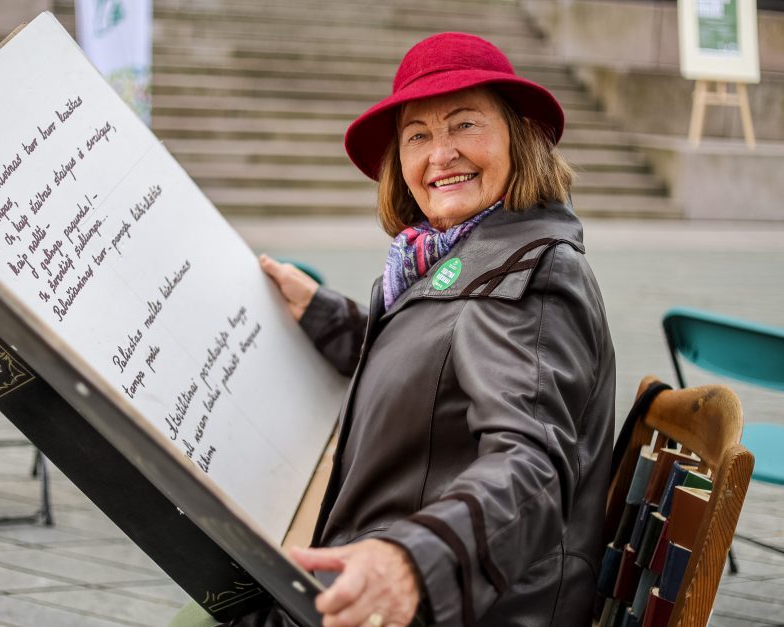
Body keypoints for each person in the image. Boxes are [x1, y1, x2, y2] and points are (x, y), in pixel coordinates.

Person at [246, 32, 615, 627]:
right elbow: (439, 364)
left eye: (465, 125)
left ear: (520, 138)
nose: (440, 154)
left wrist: (410, 564)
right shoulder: (459, 254)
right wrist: (325, 315)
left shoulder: (531, 273)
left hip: (459, 605)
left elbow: (532, 466)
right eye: (418, 135)